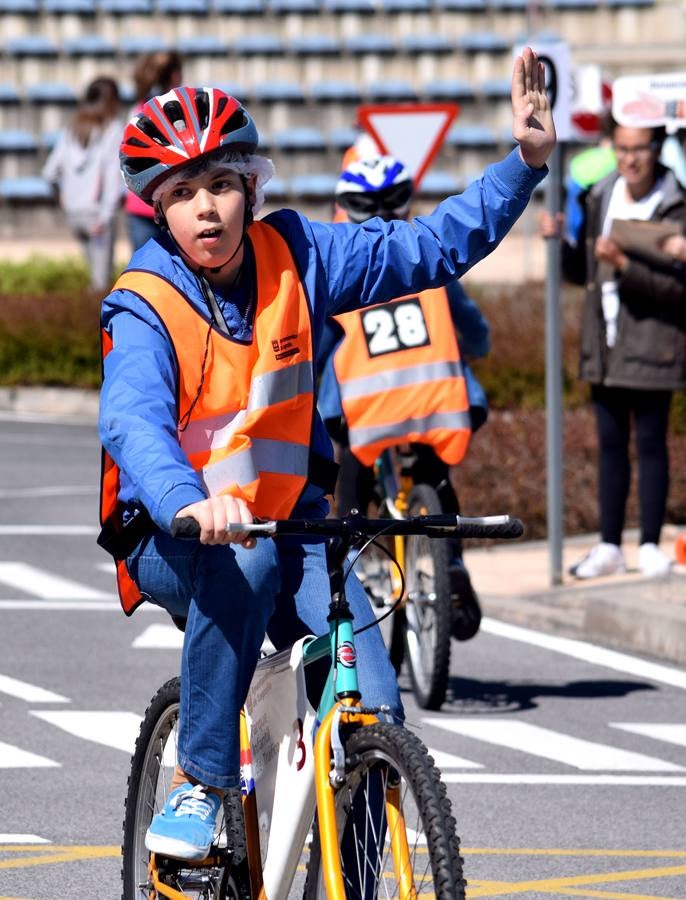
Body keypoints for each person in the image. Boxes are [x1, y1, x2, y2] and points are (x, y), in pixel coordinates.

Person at [99, 49, 554, 862]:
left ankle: (359, 863)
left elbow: (431, 250)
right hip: (174, 531)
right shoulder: (144, 301)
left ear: (253, 188)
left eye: (222, 185)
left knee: (374, 705)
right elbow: (131, 420)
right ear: (157, 211)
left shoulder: (301, 255)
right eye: (181, 194)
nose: (206, 209)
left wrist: (523, 165)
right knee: (242, 572)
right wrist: (187, 500)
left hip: (291, 520)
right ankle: (202, 781)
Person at [318, 152, 490, 641]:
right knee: (435, 480)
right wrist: (478, 351)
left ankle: (347, 571)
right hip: (439, 400)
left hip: (363, 412)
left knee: (349, 486)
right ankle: (450, 560)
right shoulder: (420, 257)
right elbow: (472, 329)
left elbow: (317, 347)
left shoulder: (336, 266)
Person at [542, 116, 686, 579]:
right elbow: (582, 270)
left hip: (653, 341)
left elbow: (677, 289)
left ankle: (648, 543)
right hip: (602, 342)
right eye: (622, 149)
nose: (630, 159)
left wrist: (624, 264)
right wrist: (559, 242)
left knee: (649, 444)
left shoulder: (675, 204)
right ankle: (608, 545)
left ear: (657, 148)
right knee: (609, 445)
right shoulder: (601, 192)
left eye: (639, 149)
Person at [42, 76, 123, 292]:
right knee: (101, 285)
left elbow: (49, 172)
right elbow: (112, 177)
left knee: (95, 279)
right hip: (98, 216)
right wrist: (105, 216)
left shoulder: (72, 128)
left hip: (74, 213)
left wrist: (63, 197)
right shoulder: (112, 129)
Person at [123, 50, 183, 252]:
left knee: (145, 275)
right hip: (175, 203)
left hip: (140, 202)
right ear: (174, 75)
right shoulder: (181, 112)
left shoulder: (138, 110)